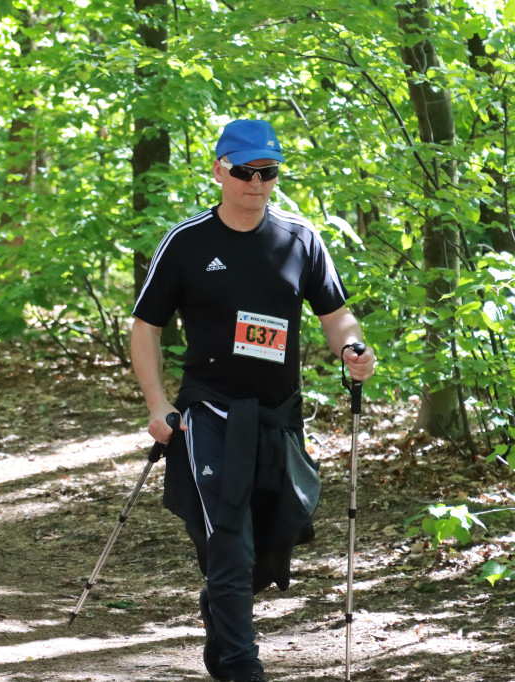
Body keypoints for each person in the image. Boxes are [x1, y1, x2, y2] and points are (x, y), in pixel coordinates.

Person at [130, 119, 376, 682]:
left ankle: (221, 615)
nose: (257, 184)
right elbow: (145, 326)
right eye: (245, 172)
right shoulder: (188, 242)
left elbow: (336, 317)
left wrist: (354, 350)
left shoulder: (299, 240)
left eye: (268, 173)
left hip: (277, 418)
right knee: (228, 537)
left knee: (272, 537)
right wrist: (157, 404)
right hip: (210, 412)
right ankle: (242, 663)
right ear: (219, 170)